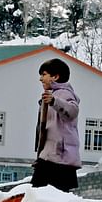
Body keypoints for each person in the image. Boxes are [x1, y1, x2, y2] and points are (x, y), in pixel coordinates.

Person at [31, 58, 81, 192]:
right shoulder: (50, 95)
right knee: (40, 192)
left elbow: (72, 110)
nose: (41, 79)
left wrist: (54, 101)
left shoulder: (64, 94)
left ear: (55, 77)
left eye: (44, 74)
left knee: (47, 194)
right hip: (48, 154)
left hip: (60, 156)